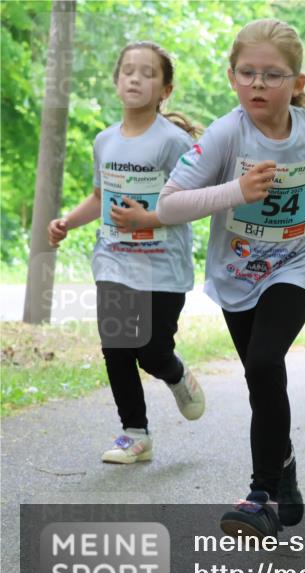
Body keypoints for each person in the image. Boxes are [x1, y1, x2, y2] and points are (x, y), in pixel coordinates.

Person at [157, 19, 305, 538]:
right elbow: (169, 204)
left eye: (272, 75)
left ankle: (261, 495)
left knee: (265, 361)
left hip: (297, 263)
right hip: (237, 272)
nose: (258, 84)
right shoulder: (227, 133)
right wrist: (237, 191)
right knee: (260, 378)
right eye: (247, 73)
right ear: (232, 77)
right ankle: (283, 465)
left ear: (297, 82)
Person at [47, 42, 205, 465]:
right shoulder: (105, 141)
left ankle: (175, 373)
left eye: (147, 73)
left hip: (162, 265)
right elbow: (101, 196)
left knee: (151, 352)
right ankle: (135, 433)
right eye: (128, 71)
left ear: (165, 90)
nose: (135, 79)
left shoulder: (173, 142)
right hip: (114, 259)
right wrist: (67, 222)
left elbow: (193, 201)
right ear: (117, 81)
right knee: (117, 345)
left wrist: (148, 218)